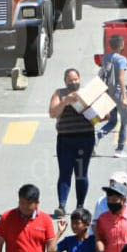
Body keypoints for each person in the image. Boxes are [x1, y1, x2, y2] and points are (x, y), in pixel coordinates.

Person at [49, 68, 98, 218]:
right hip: (65, 139)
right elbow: (52, 113)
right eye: (70, 80)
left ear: (79, 79)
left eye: (75, 79)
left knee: (81, 173)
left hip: (85, 138)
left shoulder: (87, 93)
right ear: (65, 81)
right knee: (65, 173)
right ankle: (61, 206)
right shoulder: (59, 93)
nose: (73, 82)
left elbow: (102, 116)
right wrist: (65, 101)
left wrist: (87, 104)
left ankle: (80, 206)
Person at [0, 184, 56, 252]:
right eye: (22, 202)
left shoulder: (46, 220)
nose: (25, 206)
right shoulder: (6, 218)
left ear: (37, 203)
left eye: (29, 203)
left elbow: (51, 248)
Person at [96, 35, 127, 158]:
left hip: (108, 93)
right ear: (121, 45)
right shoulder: (122, 59)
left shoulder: (106, 58)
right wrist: (125, 97)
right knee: (125, 122)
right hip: (118, 93)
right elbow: (121, 78)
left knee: (113, 121)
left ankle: (97, 137)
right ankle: (120, 149)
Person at [95, 181, 127, 252]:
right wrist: (99, 243)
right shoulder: (102, 219)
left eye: (114, 199)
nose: (111, 202)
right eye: (108, 199)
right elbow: (100, 238)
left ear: (124, 200)